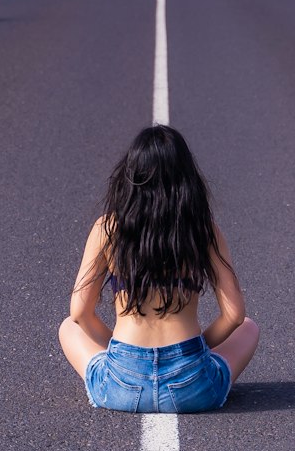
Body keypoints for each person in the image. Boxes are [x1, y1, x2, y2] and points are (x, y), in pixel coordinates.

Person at [58, 124, 260, 413]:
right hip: (192, 385)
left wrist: (118, 351)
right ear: (187, 180)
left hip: (122, 384)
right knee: (250, 328)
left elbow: (79, 313)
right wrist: (197, 348)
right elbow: (235, 315)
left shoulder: (108, 228)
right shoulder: (203, 231)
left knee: (68, 327)